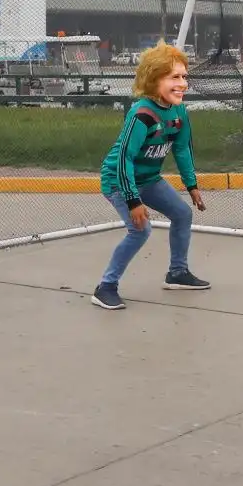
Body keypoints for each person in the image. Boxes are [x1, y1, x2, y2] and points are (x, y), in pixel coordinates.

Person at [92, 43, 209, 309]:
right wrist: (133, 201)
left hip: (149, 179)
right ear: (153, 80)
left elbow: (182, 149)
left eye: (184, 77)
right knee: (140, 230)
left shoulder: (179, 111)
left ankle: (177, 273)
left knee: (182, 214)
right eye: (174, 77)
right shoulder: (142, 114)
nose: (182, 84)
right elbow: (125, 159)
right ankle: (105, 287)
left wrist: (191, 185)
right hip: (119, 180)